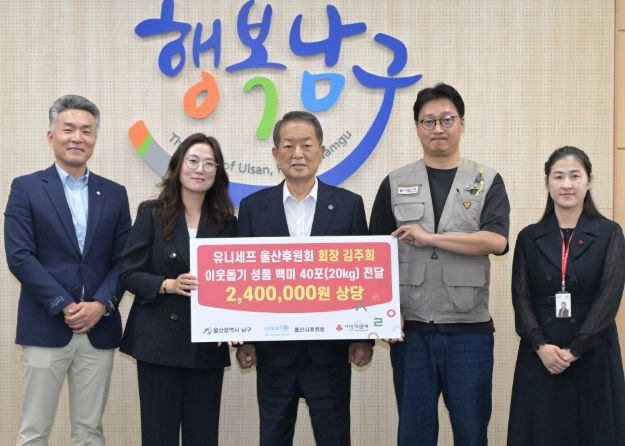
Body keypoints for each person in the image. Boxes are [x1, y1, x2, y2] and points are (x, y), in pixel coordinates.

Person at [369, 83, 510, 446]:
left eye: (447, 119)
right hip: (411, 331)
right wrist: (385, 312)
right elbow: (375, 255)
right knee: (414, 434)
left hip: (469, 330)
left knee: (471, 432)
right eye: (428, 121)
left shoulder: (486, 180)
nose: (438, 128)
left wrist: (431, 239)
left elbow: (496, 241)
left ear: (462, 123)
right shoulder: (395, 182)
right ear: (417, 127)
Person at [235, 111, 374, 446]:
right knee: (273, 437)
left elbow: (364, 276)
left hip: (329, 354)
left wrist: (363, 338)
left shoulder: (349, 205)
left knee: (334, 437)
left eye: (307, 145)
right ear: (275, 154)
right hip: (273, 354)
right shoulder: (253, 207)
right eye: (288, 146)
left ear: (321, 151)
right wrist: (244, 340)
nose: (298, 153)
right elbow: (241, 280)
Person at [4, 94, 132, 445]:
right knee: (34, 431)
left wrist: (101, 304)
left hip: (99, 328)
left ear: (95, 138)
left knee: (90, 431)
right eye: (69, 129)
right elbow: (19, 256)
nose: (78, 137)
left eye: (87, 131)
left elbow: (125, 259)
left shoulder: (115, 194)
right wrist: (63, 304)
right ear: (51, 136)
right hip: (45, 325)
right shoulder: (26, 188)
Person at [119, 133, 236, 446]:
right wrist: (166, 285)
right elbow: (128, 273)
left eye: (209, 163)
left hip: (206, 347)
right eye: (193, 161)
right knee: (159, 436)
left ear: (218, 172)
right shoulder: (151, 213)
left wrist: (238, 324)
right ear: (178, 165)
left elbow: (237, 283)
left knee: (204, 437)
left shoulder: (227, 222)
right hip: (158, 342)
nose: (200, 169)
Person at [507, 146, 625, 446]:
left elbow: (610, 297)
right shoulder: (529, 236)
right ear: (547, 182)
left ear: (589, 181)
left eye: (575, 176)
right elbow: (520, 296)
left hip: (593, 353)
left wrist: (575, 350)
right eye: (558, 176)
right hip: (541, 355)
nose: (567, 184)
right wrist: (540, 346)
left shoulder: (609, 233)